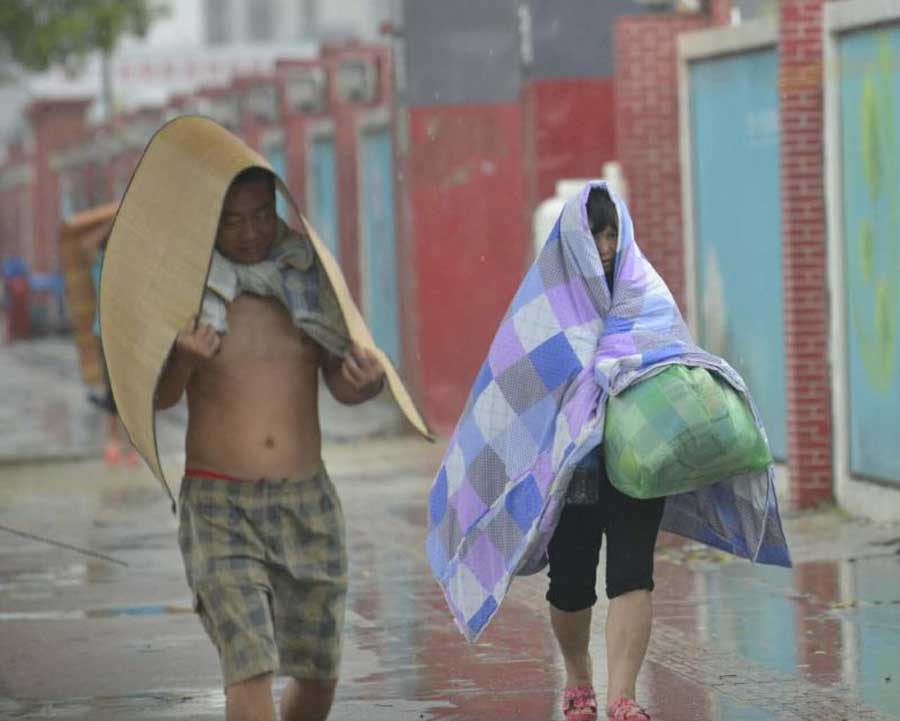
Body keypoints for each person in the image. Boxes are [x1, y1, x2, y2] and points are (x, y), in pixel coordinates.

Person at [155, 167, 386, 721]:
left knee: (317, 676)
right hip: (218, 508)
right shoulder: (190, 295)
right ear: (210, 223)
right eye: (232, 221)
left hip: (307, 503)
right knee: (250, 663)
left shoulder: (307, 282)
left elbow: (339, 380)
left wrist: (367, 384)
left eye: (261, 216)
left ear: (278, 212)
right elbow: (159, 397)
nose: (250, 232)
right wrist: (184, 356)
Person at [548, 187, 660, 721]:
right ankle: (578, 676)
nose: (608, 245)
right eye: (597, 233)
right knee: (570, 584)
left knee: (632, 573)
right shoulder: (548, 301)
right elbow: (526, 384)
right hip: (576, 467)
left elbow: (669, 352)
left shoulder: (644, 289)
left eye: (613, 232)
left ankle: (623, 697)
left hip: (637, 458)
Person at [86, 235, 139, 467]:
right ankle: (112, 442)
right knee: (112, 389)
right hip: (105, 333)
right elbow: (86, 245)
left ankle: (131, 445)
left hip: (129, 335)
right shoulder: (100, 265)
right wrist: (109, 222)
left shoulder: (130, 269)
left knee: (129, 391)